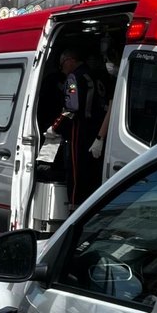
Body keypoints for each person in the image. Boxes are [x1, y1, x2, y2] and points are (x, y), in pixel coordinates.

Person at [47, 49, 105, 208]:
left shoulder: (73, 78)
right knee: (91, 173)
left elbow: (71, 107)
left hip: (79, 130)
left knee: (75, 173)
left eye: (62, 64)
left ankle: (74, 207)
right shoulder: (94, 75)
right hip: (97, 129)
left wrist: (55, 127)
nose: (62, 69)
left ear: (70, 60)